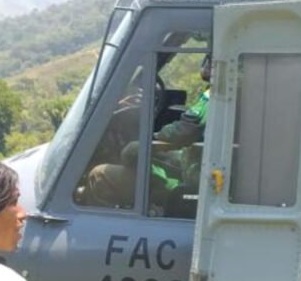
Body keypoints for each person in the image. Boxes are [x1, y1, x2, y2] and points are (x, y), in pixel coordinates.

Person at [81, 54, 212, 210]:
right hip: (199, 164)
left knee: (105, 170)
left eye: (210, 62)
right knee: (137, 151)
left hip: (193, 173)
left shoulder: (214, 95)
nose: (206, 66)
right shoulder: (229, 93)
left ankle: (120, 217)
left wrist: (155, 136)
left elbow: (184, 129)